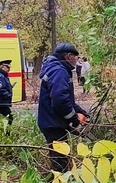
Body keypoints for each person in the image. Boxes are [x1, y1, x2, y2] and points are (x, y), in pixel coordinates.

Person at [37, 42, 89, 172]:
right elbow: (60, 101)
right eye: (75, 57)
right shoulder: (59, 71)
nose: (76, 61)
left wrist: (80, 112)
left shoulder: (57, 69)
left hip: (53, 122)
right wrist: (74, 118)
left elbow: (66, 99)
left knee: (61, 157)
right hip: (53, 124)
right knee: (60, 161)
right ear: (69, 56)